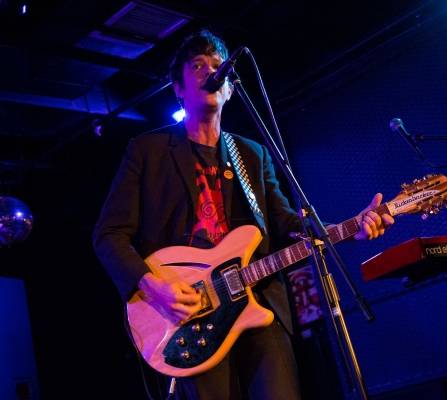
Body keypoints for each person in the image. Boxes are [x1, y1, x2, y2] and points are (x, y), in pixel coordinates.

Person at [93, 29, 394, 400]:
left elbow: (287, 225)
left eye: (217, 66)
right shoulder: (148, 150)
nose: (211, 72)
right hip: (189, 314)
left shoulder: (252, 154)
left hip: (259, 304)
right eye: (198, 66)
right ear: (178, 89)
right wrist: (153, 285)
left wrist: (348, 228)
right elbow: (109, 235)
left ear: (231, 90)